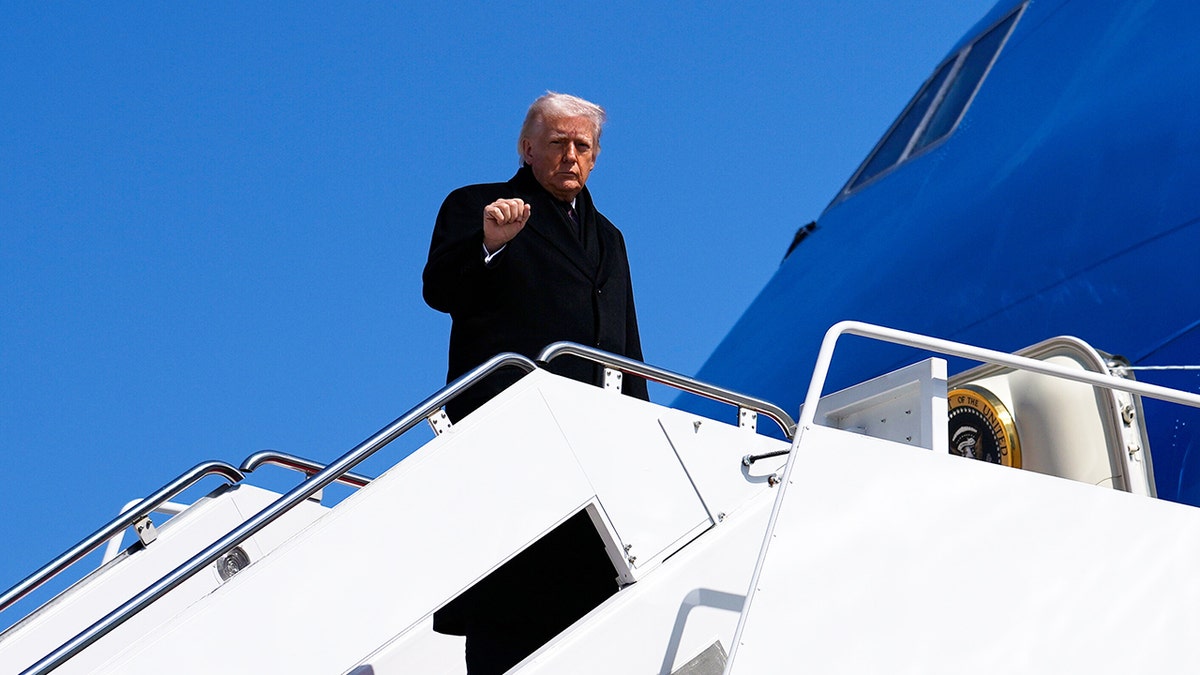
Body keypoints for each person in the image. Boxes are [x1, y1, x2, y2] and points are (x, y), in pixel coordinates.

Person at [422, 92, 647, 673]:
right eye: (557, 143)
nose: (571, 156)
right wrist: (489, 246)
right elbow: (439, 290)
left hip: (594, 440)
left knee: (594, 596)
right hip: (508, 432)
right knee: (510, 590)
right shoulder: (477, 205)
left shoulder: (612, 238)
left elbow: (627, 347)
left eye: (583, 146)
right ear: (526, 149)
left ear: (595, 157)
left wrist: (645, 431)